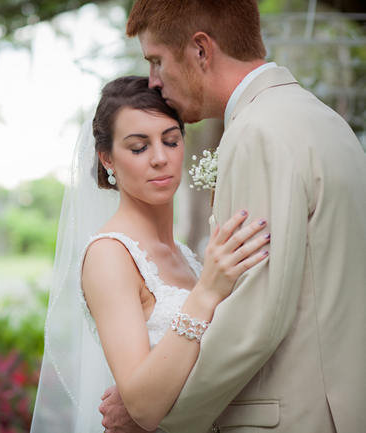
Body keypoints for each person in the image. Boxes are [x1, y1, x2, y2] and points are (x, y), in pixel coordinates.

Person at [99, 1, 366, 432]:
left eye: (157, 61)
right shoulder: (326, 121)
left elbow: (255, 317)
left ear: (200, 50)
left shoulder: (257, 133)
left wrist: (157, 413)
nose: (153, 80)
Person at [30, 75, 270, 433]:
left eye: (171, 141)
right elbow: (142, 404)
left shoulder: (188, 256)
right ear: (107, 158)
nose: (160, 158)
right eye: (139, 147)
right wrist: (207, 292)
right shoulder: (110, 256)